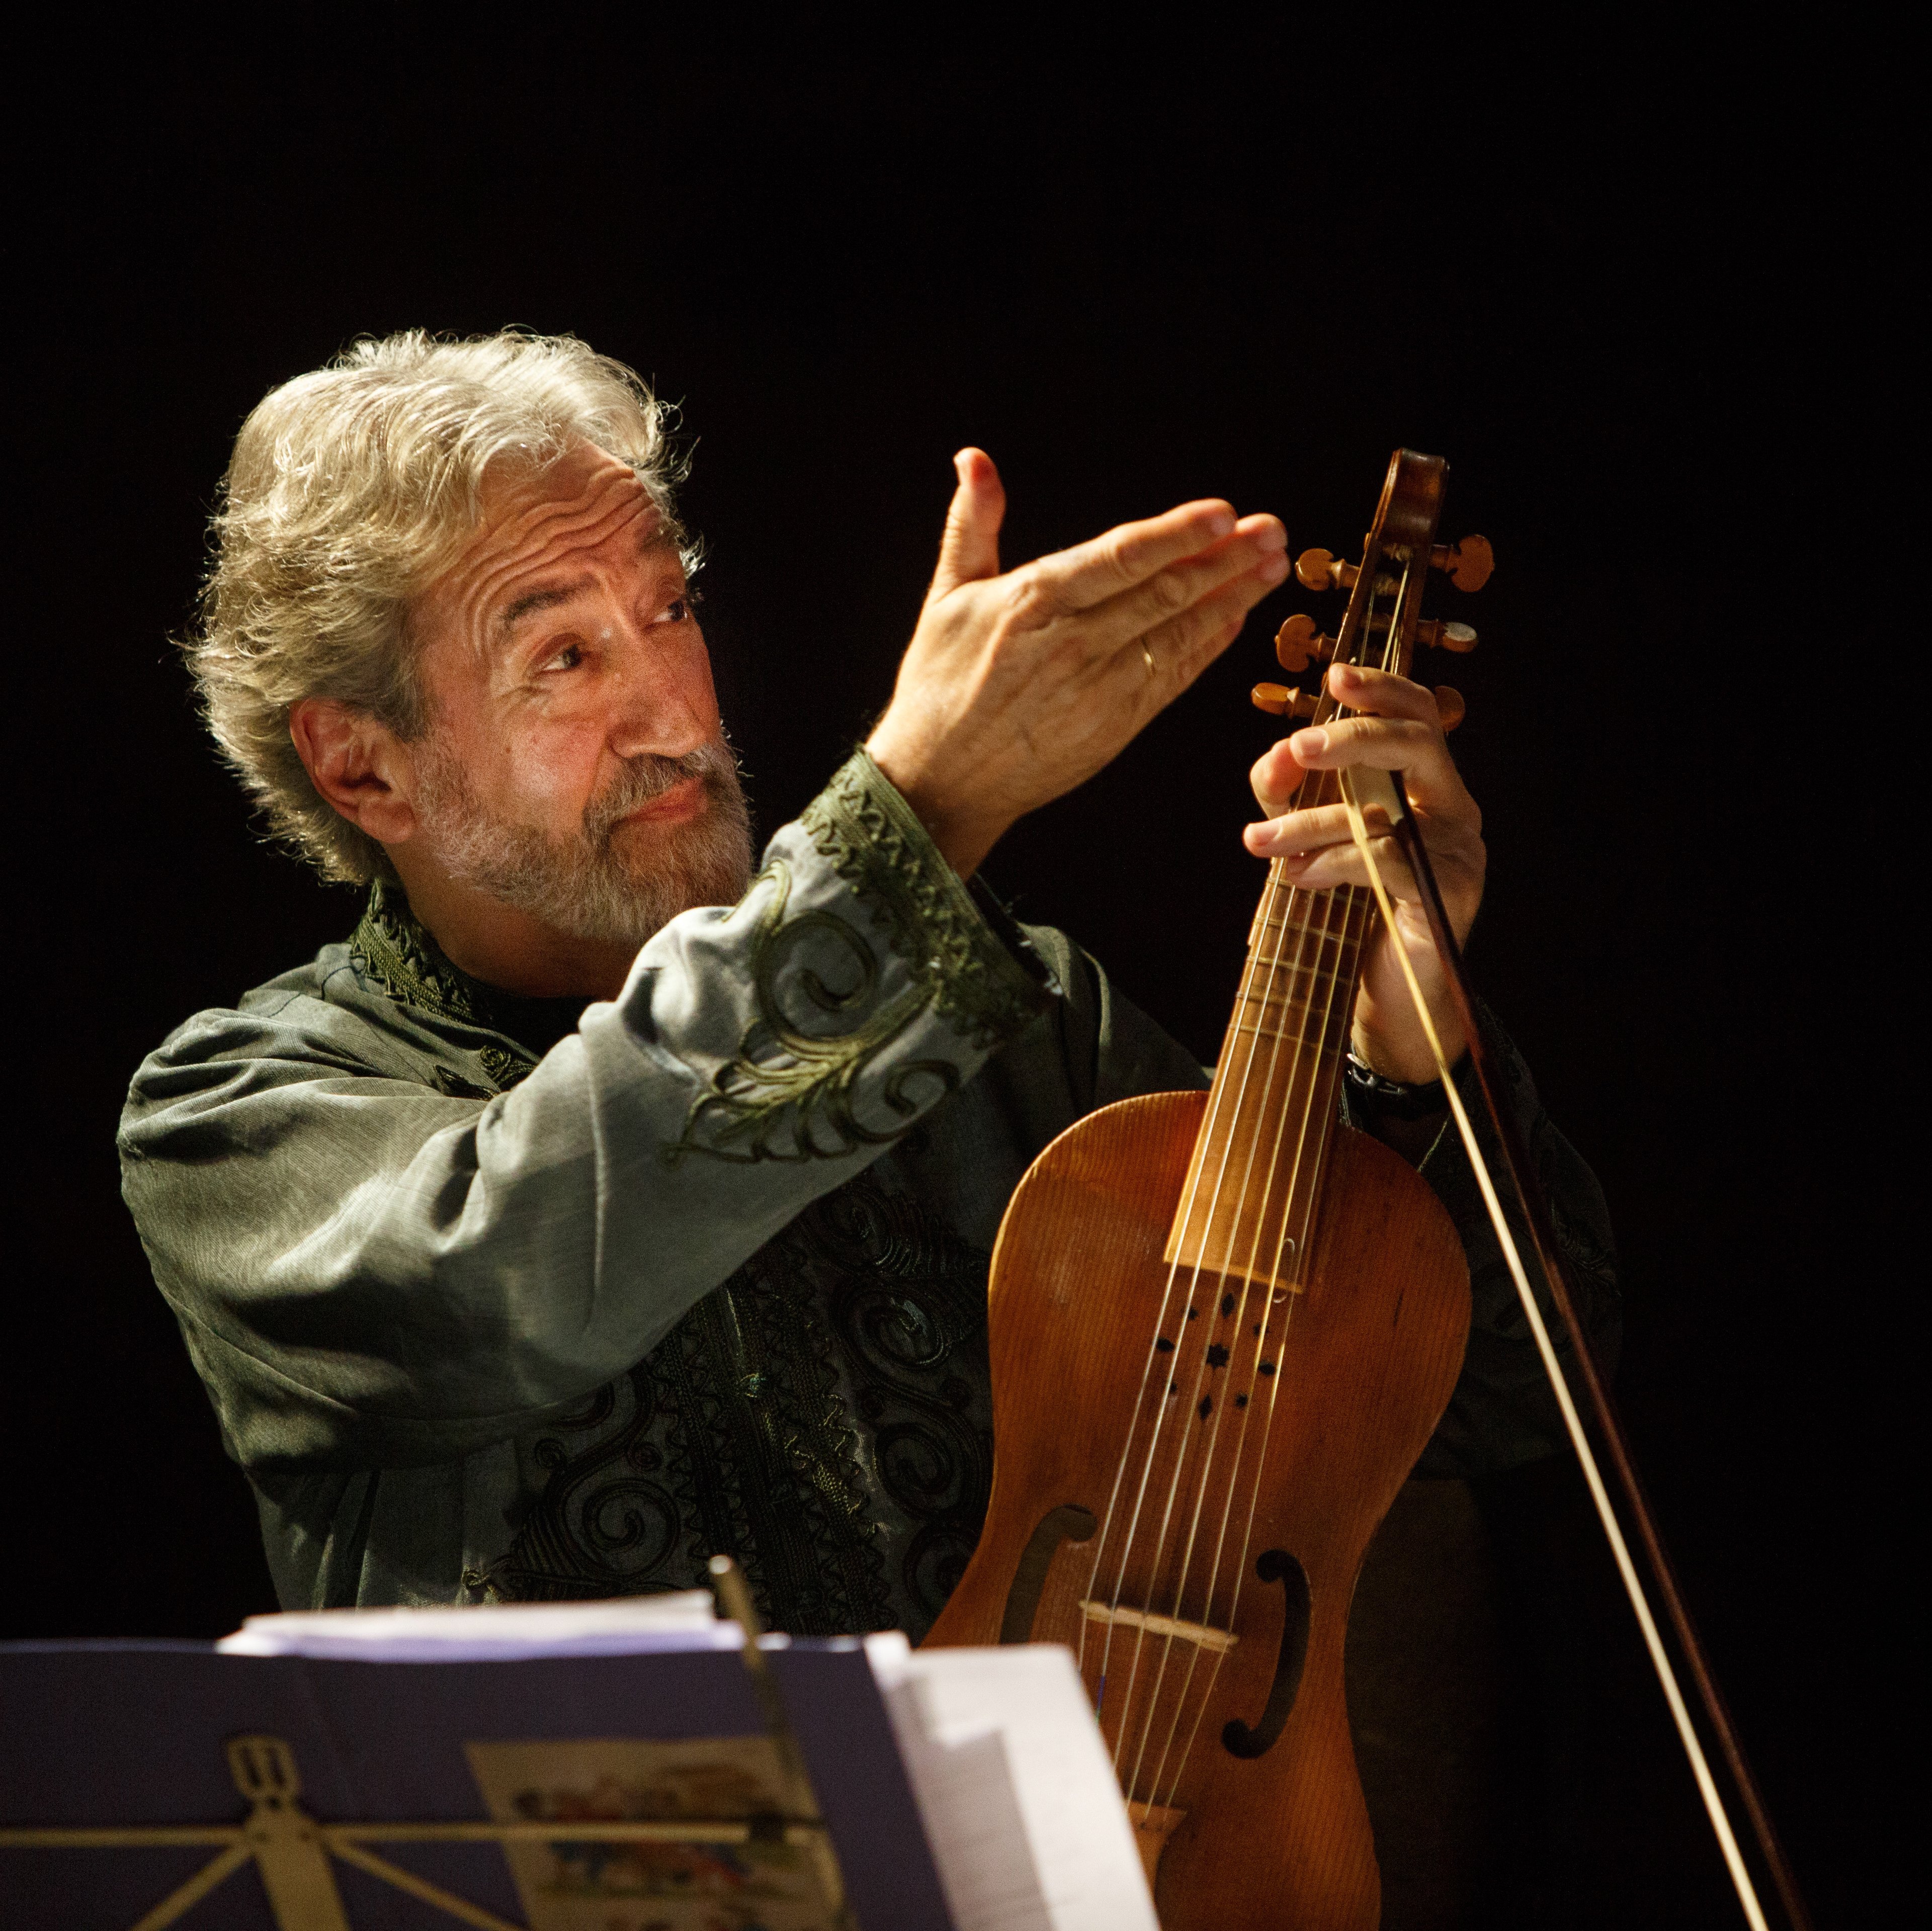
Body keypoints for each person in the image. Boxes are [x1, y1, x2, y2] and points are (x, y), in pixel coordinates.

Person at [119, 331, 1618, 1655]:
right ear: (358, 764)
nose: (673, 710)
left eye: (667, 609)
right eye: (563, 656)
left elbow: (1480, 1403)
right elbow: (503, 1271)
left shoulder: (1007, 1014)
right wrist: (916, 818)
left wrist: (1404, 1055)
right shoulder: (241, 1115)